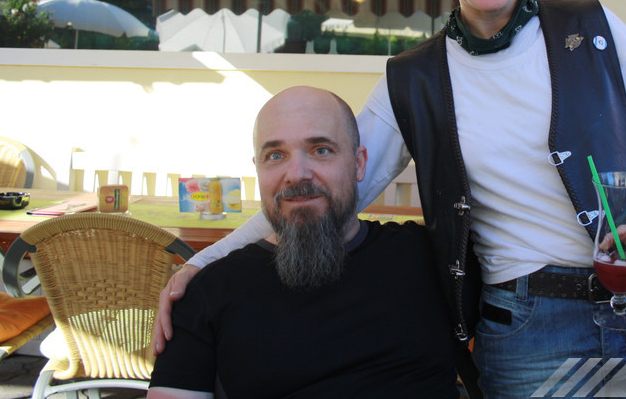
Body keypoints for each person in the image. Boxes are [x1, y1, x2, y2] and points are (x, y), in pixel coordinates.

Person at [154, 0, 626, 398]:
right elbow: (320, 186)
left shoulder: (591, 27)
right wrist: (203, 262)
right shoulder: (415, 79)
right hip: (531, 331)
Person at [147, 86, 465, 399]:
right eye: (275, 155)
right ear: (258, 169)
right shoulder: (207, 293)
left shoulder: (433, 260)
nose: (297, 174)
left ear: (359, 163)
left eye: (321, 150)